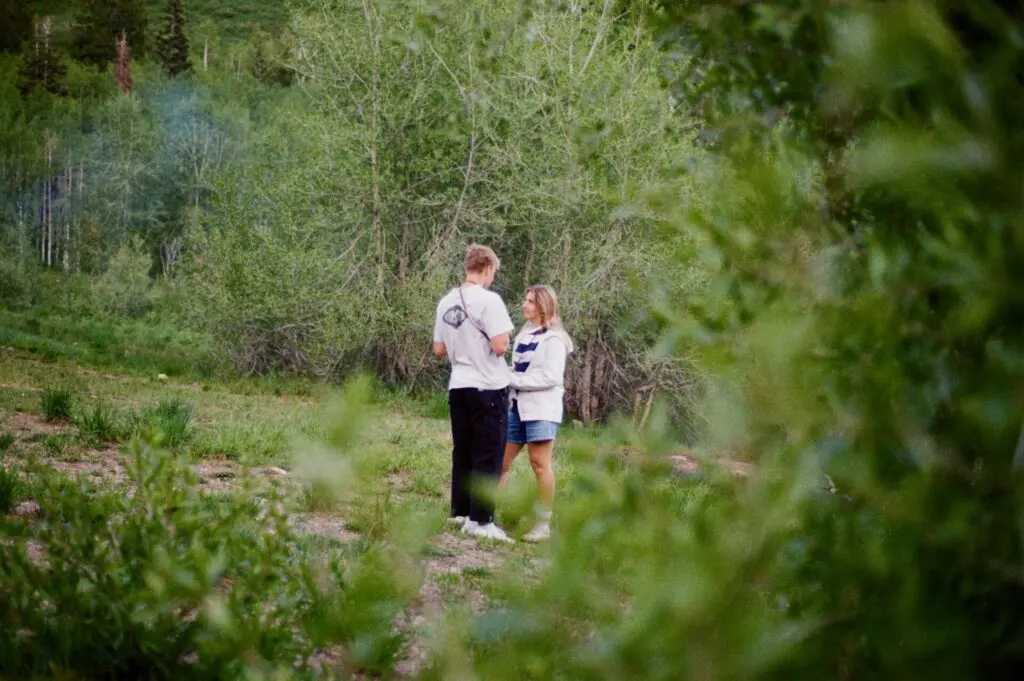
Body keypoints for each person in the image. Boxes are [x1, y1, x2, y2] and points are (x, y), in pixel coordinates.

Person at [433, 244, 515, 542]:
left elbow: (439, 349)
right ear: (488, 268)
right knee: (489, 452)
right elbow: (500, 346)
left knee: (463, 450)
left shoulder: (446, 302)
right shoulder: (489, 301)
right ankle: (482, 520)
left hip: (459, 385)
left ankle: (462, 511)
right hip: (488, 385)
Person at [499, 285, 573, 542]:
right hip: (517, 407)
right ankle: (487, 516)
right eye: (525, 299)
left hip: (542, 409)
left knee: (540, 464)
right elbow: (516, 368)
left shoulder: (555, 339)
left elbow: (550, 377)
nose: (524, 304)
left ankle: (543, 525)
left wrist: (512, 379)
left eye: (530, 301)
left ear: (543, 307)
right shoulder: (524, 334)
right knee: (501, 461)